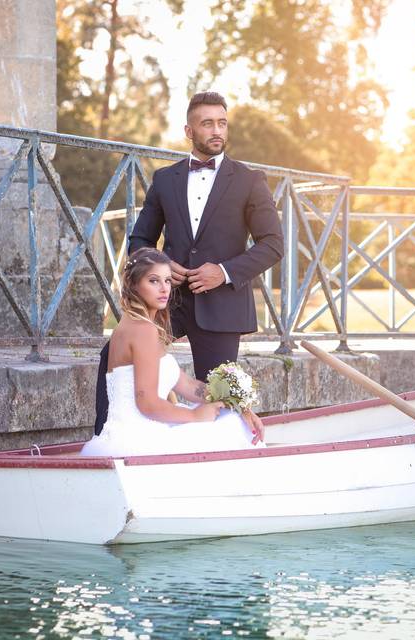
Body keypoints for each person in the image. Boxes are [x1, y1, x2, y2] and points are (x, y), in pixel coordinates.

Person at [93, 91, 283, 435]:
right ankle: (107, 436)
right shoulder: (166, 180)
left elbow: (273, 245)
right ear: (189, 130)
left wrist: (223, 272)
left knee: (219, 394)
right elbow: (139, 241)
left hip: (223, 305)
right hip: (171, 303)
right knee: (112, 356)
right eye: (207, 123)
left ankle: (219, 461)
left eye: (222, 123)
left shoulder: (249, 180)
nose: (216, 131)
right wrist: (163, 264)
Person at [81, 248, 265, 457]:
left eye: (167, 281)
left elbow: (186, 385)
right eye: (153, 281)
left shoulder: (139, 324)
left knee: (230, 417)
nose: (163, 289)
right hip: (138, 437)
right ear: (133, 285)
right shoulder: (142, 330)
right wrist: (196, 416)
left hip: (141, 429)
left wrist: (237, 403)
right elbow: (148, 403)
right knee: (231, 427)